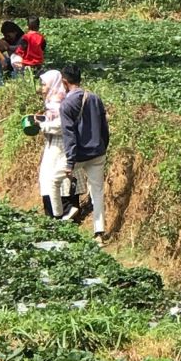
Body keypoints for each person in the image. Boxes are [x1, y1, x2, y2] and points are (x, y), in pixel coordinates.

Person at [59, 63, 110, 247]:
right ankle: (99, 233)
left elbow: (69, 135)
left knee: (52, 178)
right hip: (98, 152)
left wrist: (70, 162)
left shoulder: (66, 105)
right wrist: (103, 146)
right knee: (97, 191)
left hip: (80, 155)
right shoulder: (95, 98)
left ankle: (63, 212)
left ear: (65, 82)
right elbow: (105, 127)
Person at [36, 70, 79, 220]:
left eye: (44, 84)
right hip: (54, 143)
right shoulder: (52, 101)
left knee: (54, 178)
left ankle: (65, 211)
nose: (42, 88)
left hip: (60, 144)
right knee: (52, 177)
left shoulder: (59, 102)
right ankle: (60, 212)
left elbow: (62, 125)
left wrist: (42, 126)